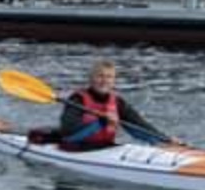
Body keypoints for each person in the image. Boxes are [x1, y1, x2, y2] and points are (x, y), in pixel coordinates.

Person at [26, 60, 160, 152]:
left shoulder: (117, 102)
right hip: (75, 150)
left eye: (109, 77)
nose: (104, 81)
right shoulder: (77, 99)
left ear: (114, 81)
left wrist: (162, 140)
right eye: (100, 76)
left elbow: (139, 125)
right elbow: (69, 132)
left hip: (105, 148)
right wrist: (101, 122)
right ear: (91, 78)